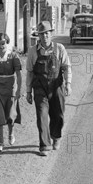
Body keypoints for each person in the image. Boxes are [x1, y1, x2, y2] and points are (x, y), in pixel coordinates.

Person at [26, 21, 72, 156]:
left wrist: (68, 83)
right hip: (40, 88)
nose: (44, 36)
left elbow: (66, 67)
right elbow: (29, 71)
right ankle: (44, 145)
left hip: (56, 86)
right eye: (42, 34)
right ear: (38, 35)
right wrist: (28, 91)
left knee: (58, 115)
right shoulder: (33, 51)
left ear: (51, 34)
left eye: (47, 33)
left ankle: (56, 137)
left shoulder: (59, 48)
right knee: (42, 116)